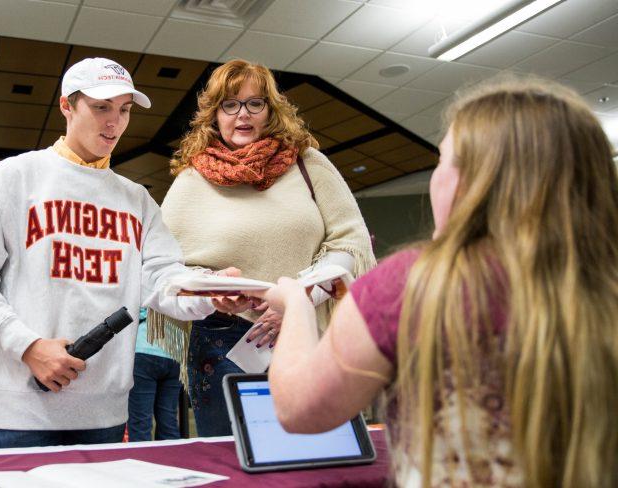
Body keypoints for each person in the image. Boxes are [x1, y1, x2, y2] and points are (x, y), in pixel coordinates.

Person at [257, 78, 618, 487]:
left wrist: (298, 303)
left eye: (442, 161)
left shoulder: (410, 286)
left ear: (474, 180)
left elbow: (299, 408)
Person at [0, 57, 247, 449]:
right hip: (19, 408)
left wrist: (207, 291)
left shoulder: (136, 199)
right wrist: (28, 347)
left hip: (105, 409)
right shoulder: (13, 178)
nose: (115, 123)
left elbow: (161, 280)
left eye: (124, 110)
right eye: (101, 107)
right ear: (66, 106)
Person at [150, 59, 376, 437]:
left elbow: (349, 243)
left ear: (271, 110)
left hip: (307, 327)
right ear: (213, 114)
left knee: (314, 450)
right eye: (230, 104)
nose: (243, 114)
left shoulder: (308, 163)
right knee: (230, 459)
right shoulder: (191, 178)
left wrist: (298, 299)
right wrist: (211, 292)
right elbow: (164, 271)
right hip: (221, 341)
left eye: (255, 103)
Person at [127, 308, 181, 441]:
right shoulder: (176, 289)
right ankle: (171, 460)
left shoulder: (143, 288)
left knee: (141, 423)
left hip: (144, 350)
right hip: (174, 354)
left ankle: (141, 460)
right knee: (169, 421)